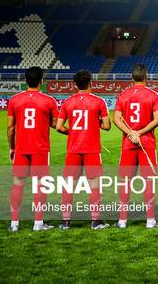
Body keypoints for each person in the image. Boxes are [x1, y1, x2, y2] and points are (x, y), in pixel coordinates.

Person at [56, 70, 111, 230]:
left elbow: (59, 127)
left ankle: (65, 221)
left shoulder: (67, 102)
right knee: (94, 185)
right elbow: (107, 126)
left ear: (74, 84)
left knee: (69, 185)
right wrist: (95, 123)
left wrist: (72, 131)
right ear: (90, 83)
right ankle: (95, 221)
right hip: (92, 149)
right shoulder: (99, 102)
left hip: (73, 149)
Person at [8, 66, 59, 232]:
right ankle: (38, 223)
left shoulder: (14, 100)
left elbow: (10, 128)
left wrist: (12, 148)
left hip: (21, 148)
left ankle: (14, 224)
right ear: (42, 81)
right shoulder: (49, 101)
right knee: (40, 185)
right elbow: (55, 124)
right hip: (40, 149)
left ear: (25, 80)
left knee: (17, 184)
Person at [113, 64, 158, 229]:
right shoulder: (153, 95)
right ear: (146, 76)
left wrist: (131, 133)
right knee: (149, 181)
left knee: (125, 182)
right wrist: (139, 133)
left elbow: (116, 119)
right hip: (146, 143)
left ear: (132, 77)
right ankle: (150, 220)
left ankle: (122, 221)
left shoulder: (123, 95)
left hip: (128, 143)